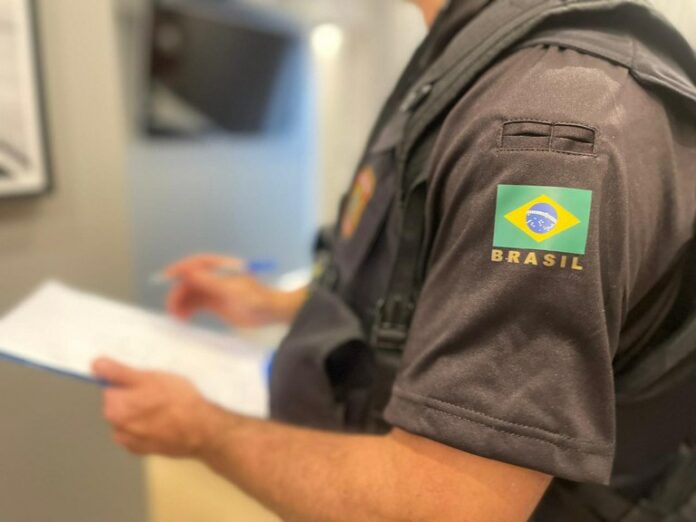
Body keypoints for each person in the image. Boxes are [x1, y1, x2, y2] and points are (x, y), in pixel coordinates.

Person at [93, 0, 696, 520]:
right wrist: (275, 304)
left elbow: (444, 503)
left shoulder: (548, 127)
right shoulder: (472, 58)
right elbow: (428, 284)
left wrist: (205, 430)